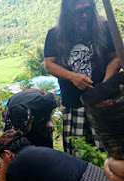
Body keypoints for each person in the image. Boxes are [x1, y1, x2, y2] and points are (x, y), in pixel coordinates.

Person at [44, 0, 120, 155]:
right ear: (67, 12)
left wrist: (103, 86)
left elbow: (116, 57)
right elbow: (50, 64)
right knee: (78, 153)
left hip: (103, 102)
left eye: (88, 9)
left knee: (110, 151)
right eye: (79, 12)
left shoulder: (104, 27)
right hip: (74, 104)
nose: (85, 15)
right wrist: (73, 77)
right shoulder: (55, 34)